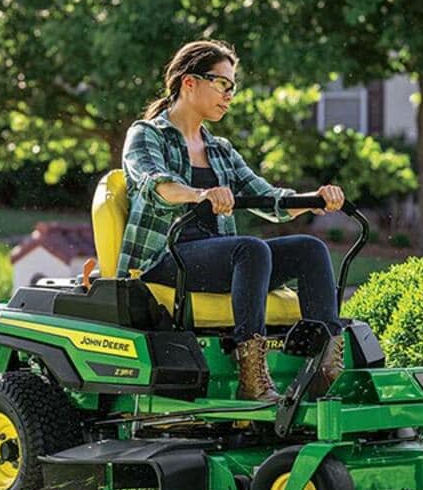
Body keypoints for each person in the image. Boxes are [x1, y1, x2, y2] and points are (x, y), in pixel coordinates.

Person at [121, 39, 346, 403]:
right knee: (251, 249)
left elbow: (266, 198)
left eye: (233, 86)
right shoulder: (147, 134)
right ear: (189, 83)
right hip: (165, 258)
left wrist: (311, 201)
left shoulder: (220, 150)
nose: (229, 94)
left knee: (309, 249)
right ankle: (252, 381)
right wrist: (199, 194)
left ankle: (326, 367)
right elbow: (154, 185)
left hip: (220, 259)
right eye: (222, 84)